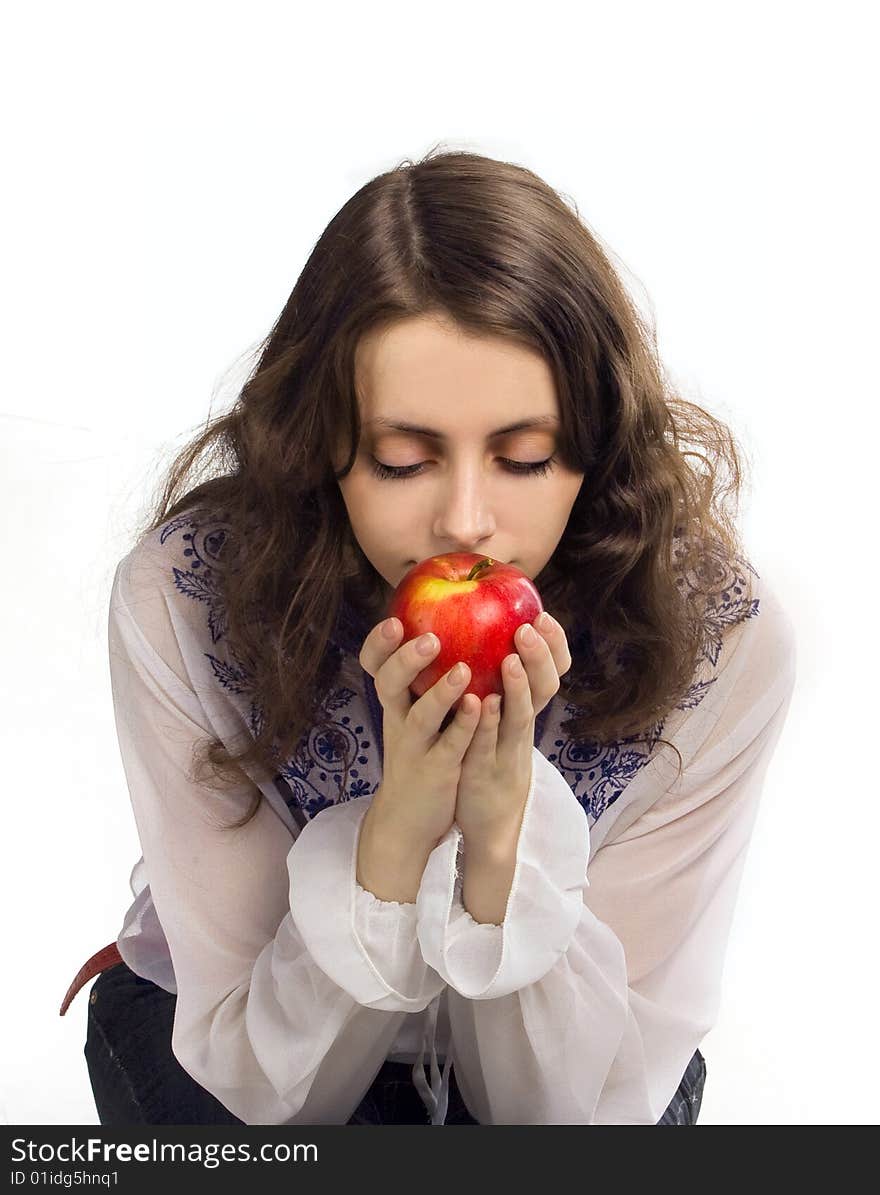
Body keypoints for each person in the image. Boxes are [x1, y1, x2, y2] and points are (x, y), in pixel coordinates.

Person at [61, 148, 796, 1126]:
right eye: (403, 459)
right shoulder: (186, 599)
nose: (465, 521)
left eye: (523, 458)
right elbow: (267, 1089)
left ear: (596, 442)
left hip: (577, 1051)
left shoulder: (719, 642)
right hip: (244, 1041)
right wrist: (396, 828)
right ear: (321, 439)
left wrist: (499, 843)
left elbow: (575, 1111)